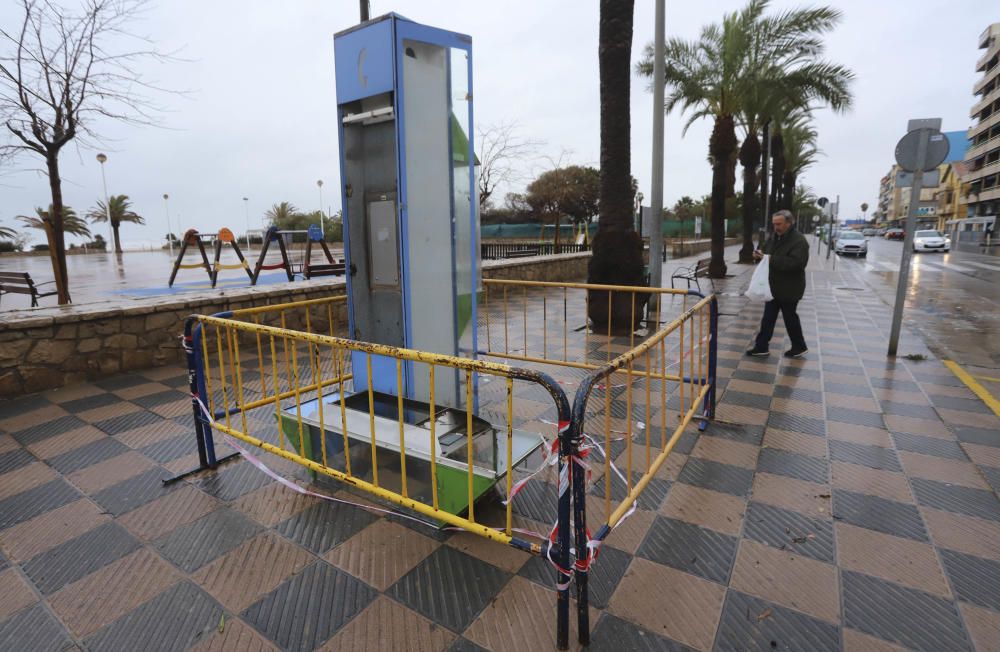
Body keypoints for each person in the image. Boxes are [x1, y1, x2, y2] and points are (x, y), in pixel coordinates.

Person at [746, 209, 810, 358]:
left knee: (790, 318)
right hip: (773, 286)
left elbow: (797, 263)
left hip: (790, 288)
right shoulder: (775, 237)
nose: (776, 227)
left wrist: (769, 258)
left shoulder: (799, 241)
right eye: (774, 224)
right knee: (768, 318)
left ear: (789, 223)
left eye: (779, 224)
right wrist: (759, 255)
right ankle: (761, 346)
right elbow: (768, 253)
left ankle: (799, 346)